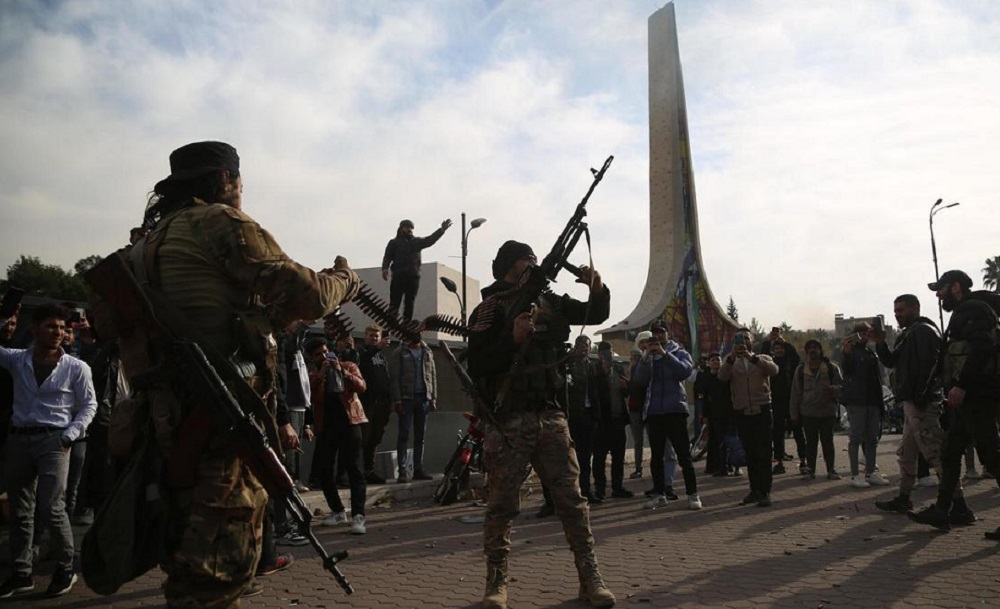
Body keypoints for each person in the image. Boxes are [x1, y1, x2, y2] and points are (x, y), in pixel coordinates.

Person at [96, 141, 360, 607]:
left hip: (167, 433)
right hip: (219, 432)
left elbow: (201, 324)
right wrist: (345, 280)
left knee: (189, 572)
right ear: (225, 180)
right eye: (239, 182)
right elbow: (313, 296)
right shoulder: (217, 222)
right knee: (219, 576)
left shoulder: (145, 246)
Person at [467, 240, 615, 609]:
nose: (532, 265)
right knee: (502, 505)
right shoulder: (489, 309)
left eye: (534, 259)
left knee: (572, 501)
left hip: (550, 414)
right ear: (508, 266)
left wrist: (597, 288)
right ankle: (496, 583)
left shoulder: (550, 301)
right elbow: (478, 364)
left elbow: (595, 314)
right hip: (509, 419)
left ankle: (590, 578)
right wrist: (511, 340)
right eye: (525, 260)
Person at [0, 304, 97, 599]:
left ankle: (65, 568)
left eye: (62, 327)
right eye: (51, 326)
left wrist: (69, 435)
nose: (58, 332)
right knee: (20, 509)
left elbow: (89, 405)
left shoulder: (76, 367)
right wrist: (4, 319)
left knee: (52, 507)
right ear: (34, 329)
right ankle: (21, 572)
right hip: (19, 438)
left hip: (54, 440)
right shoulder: (17, 359)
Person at [909, 270, 999, 534]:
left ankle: (945, 509)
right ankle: (945, 510)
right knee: (949, 453)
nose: (938, 295)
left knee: (991, 456)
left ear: (956, 287)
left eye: (941, 289)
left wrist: (962, 384)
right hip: (966, 400)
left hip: (978, 396)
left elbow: (982, 348)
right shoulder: (964, 311)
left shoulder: (972, 310)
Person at [873, 294, 950, 516]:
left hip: (922, 403)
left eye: (901, 310)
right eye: (895, 311)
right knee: (907, 454)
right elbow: (891, 361)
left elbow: (931, 367)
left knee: (935, 453)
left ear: (915, 308)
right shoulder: (908, 334)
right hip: (912, 403)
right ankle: (904, 498)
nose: (898, 315)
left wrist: (921, 396)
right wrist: (880, 342)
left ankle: (956, 503)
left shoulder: (924, 331)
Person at [632, 323, 700, 510]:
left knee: (683, 455)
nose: (658, 336)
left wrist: (664, 354)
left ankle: (693, 494)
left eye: (661, 333)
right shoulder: (648, 356)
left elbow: (684, 372)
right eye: (655, 333)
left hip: (675, 410)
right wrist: (646, 357)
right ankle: (660, 494)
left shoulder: (679, 352)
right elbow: (639, 380)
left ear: (668, 334)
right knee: (656, 457)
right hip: (654, 412)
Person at [305, 338, 369, 535]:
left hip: (350, 424)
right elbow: (309, 397)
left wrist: (342, 371)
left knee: (355, 469)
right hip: (326, 427)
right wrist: (321, 375)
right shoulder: (313, 375)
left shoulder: (348, 365)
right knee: (324, 470)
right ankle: (338, 510)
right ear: (312, 358)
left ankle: (358, 516)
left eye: (325, 352)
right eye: (318, 354)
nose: (323, 357)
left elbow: (362, 386)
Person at [718, 328, 778, 507]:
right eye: (739, 339)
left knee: (764, 453)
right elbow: (722, 377)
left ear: (752, 340)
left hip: (762, 410)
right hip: (742, 412)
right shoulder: (730, 361)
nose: (742, 342)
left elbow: (774, 370)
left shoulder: (762, 358)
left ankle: (765, 491)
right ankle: (755, 490)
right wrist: (732, 358)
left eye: (746, 338)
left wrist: (752, 358)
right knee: (750, 453)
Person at [841, 323, 890, 488]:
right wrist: (847, 353)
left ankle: (870, 472)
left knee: (872, 438)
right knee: (856, 438)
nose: (864, 336)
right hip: (857, 401)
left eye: (866, 333)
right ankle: (855, 475)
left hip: (873, 401)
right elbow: (847, 370)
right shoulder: (850, 352)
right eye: (860, 333)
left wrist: (880, 404)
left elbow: (877, 379)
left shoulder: (871, 353)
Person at [790, 339, 844, 481]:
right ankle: (810, 470)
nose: (813, 350)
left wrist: (833, 390)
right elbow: (795, 393)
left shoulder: (831, 368)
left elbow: (842, 387)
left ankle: (831, 470)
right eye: (810, 348)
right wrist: (793, 414)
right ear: (806, 351)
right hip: (808, 412)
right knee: (811, 443)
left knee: (828, 442)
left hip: (827, 412)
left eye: (815, 347)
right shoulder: (801, 370)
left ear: (820, 350)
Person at [389, 330, 438, 482]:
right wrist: (397, 400)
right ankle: (403, 471)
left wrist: (433, 398)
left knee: (420, 436)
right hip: (406, 398)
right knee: (404, 434)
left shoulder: (427, 351)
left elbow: (432, 375)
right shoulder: (399, 352)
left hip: (424, 398)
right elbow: (394, 378)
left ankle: (418, 469)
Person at [381, 218, 453, 320]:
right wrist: (384, 268)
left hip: (413, 277)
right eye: (407, 227)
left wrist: (441, 230)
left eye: (411, 228)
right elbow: (387, 257)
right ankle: (390, 324)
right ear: (401, 228)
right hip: (398, 276)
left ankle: (406, 325)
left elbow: (430, 240)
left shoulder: (416, 242)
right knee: (394, 303)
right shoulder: (394, 243)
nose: (410, 230)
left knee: (409, 303)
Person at [590, 341, 633, 500]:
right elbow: (594, 391)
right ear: (599, 354)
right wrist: (603, 371)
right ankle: (600, 489)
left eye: (610, 353)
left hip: (618, 420)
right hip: (602, 421)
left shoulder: (619, 369)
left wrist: (626, 387)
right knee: (599, 458)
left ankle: (617, 487)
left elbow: (627, 392)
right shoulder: (594, 370)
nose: (608, 356)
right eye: (605, 353)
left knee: (618, 457)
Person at [358, 324, 393, 484]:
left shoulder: (382, 357)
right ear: (365, 336)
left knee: (375, 437)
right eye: (371, 336)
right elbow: (362, 363)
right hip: (367, 403)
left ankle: (369, 470)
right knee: (364, 437)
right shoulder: (361, 352)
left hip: (382, 403)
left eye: (376, 336)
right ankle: (358, 470)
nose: (374, 339)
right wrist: (377, 347)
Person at [768, 340, 802, 474]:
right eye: (776, 348)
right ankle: (779, 462)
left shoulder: (791, 362)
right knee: (777, 434)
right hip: (777, 402)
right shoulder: (770, 363)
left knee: (798, 431)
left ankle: (804, 461)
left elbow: (795, 356)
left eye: (781, 348)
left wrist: (785, 342)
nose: (779, 350)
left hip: (792, 400)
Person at [628, 331, 652, 479]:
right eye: (641, 342)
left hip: (649, 407)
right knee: (638, 441)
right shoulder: (633, 368)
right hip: (635, 408)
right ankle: (638, 468)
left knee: (654, 440)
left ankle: (656, 469)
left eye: (646, 342)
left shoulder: (653, 362)